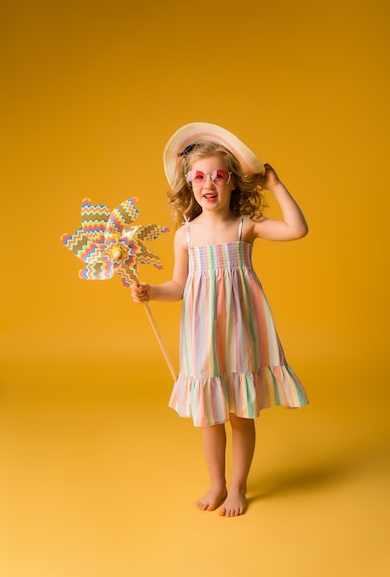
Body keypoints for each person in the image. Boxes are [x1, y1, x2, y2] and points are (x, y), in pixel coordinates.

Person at [131, 122, 309, 517]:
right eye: (199, 176)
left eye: (218, 175)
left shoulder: (245, 227)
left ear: (232, 184)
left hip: (242, 332)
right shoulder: (186, 236)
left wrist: (275, 185)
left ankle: (239, 487)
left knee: (240, 415)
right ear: (188, 186)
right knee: (209, 417)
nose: (208, 183)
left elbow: (298, 229)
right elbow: (179, 285)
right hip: (202, 335)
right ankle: (217, 483)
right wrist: (152, 292)